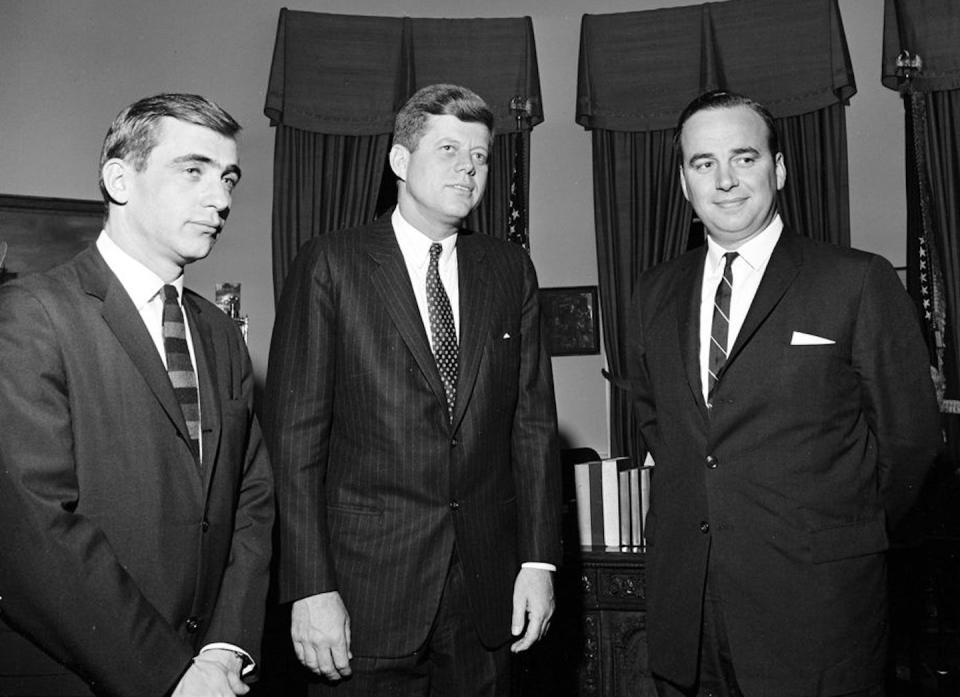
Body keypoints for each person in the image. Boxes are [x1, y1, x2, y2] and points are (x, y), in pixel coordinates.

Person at [619, 90, 940, 697]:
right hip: (690, 614)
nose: (725, 181)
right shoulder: (652, 292)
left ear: (780, 169)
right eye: (703, 163)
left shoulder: (854, 280)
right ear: (684, 183)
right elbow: (662, 423)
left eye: (744, 158)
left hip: (818, 610)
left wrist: (840, 529)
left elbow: (910, 442)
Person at [263, 83, 561, 696]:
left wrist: (538, 561)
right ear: (400, 162)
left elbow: (531, 424)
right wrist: (310, 587)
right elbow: (293, 443)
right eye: (449, 149)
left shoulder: (509, 270)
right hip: (363, 594)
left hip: (485, 594)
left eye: (479, 155)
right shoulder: (331, 263)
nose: (469, 168)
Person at [0, 94, 274, 697]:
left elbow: (251, 497)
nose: (222, 199)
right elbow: (34, 527)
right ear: (119, 178)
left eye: (228, 178)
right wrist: (171, 675)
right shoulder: (32, 314)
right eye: (194, 170)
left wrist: (227, 647)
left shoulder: (221, 333)